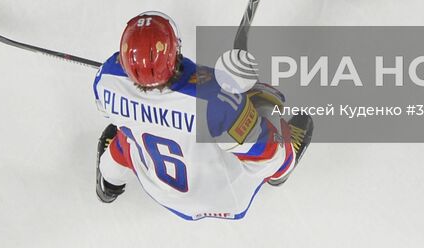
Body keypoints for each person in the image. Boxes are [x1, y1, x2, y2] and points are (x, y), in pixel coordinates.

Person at [93, 12, 312, 220]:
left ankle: (109, 183)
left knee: (126, 137)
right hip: (225, 197)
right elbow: (267, 154)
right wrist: (237, 89)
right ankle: (282, 173)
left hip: (159, 189)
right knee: (265, 101)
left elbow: (109, 111)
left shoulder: (106, 80)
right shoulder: (215, 100)